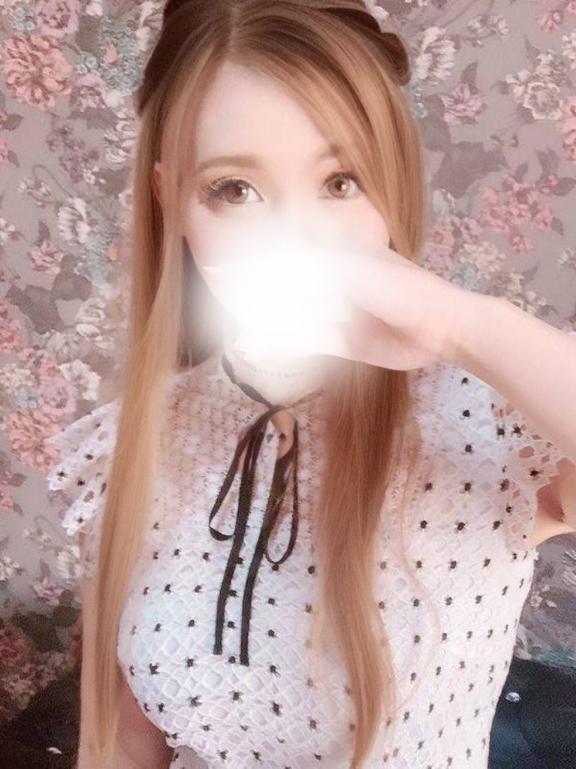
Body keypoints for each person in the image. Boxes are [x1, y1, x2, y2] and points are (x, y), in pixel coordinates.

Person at [44, 1, 576, 768]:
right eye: (235, 190)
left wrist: (462, 327)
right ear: (170, 196)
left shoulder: (486, 415)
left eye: (340, 181)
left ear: (390, 185)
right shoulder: (136, 438)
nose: (293, 237)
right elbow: (121, 737)